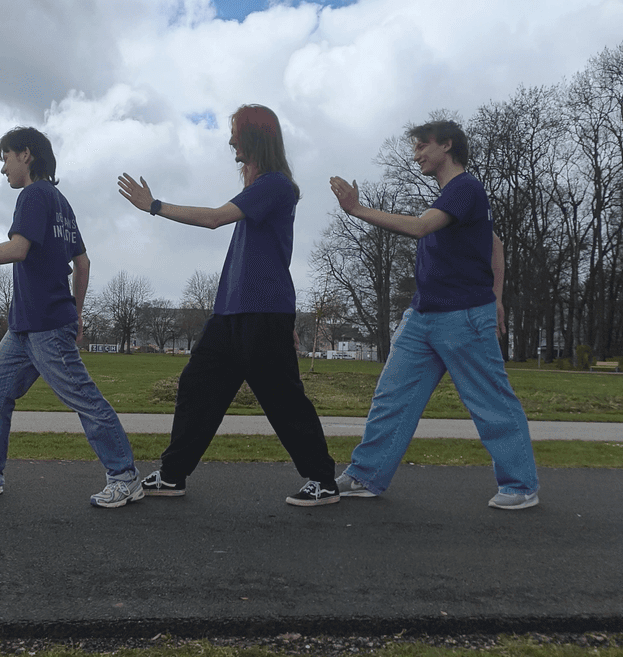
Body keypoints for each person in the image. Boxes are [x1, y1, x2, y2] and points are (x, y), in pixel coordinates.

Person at [117, 103, 340, 507]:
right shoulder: (257, 188)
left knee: (282, 399)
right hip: (229, 313)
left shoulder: (276, 185)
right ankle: (172, 476)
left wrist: (155, 206)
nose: (231, 139)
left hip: (264, 312)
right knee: (197, 387)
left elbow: (215, 219)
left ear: (256, 136)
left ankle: (323, 481)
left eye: (236, 131)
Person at [0, 126, 143, 508]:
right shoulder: (59, 200)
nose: (3, 169)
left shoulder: (34, 195)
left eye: (5, 158)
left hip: (46, 325)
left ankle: (124, 476)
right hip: (25, 326)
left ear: (26, 154)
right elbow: (82, 262)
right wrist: (79, 312)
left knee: (84, 398)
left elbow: (19, 248)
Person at [329, 120, 539, 510]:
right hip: (422, 316)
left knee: (491, 402)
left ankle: (520, 485)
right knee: (391, 398)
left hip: (464, 318)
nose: (416, 154)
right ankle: (366, 476)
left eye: (422, 146)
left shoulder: (465, 188)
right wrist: (497, 294)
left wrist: (356, 209)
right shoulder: (453, 196)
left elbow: (422, 228)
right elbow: (494, 242)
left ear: (447, 145)